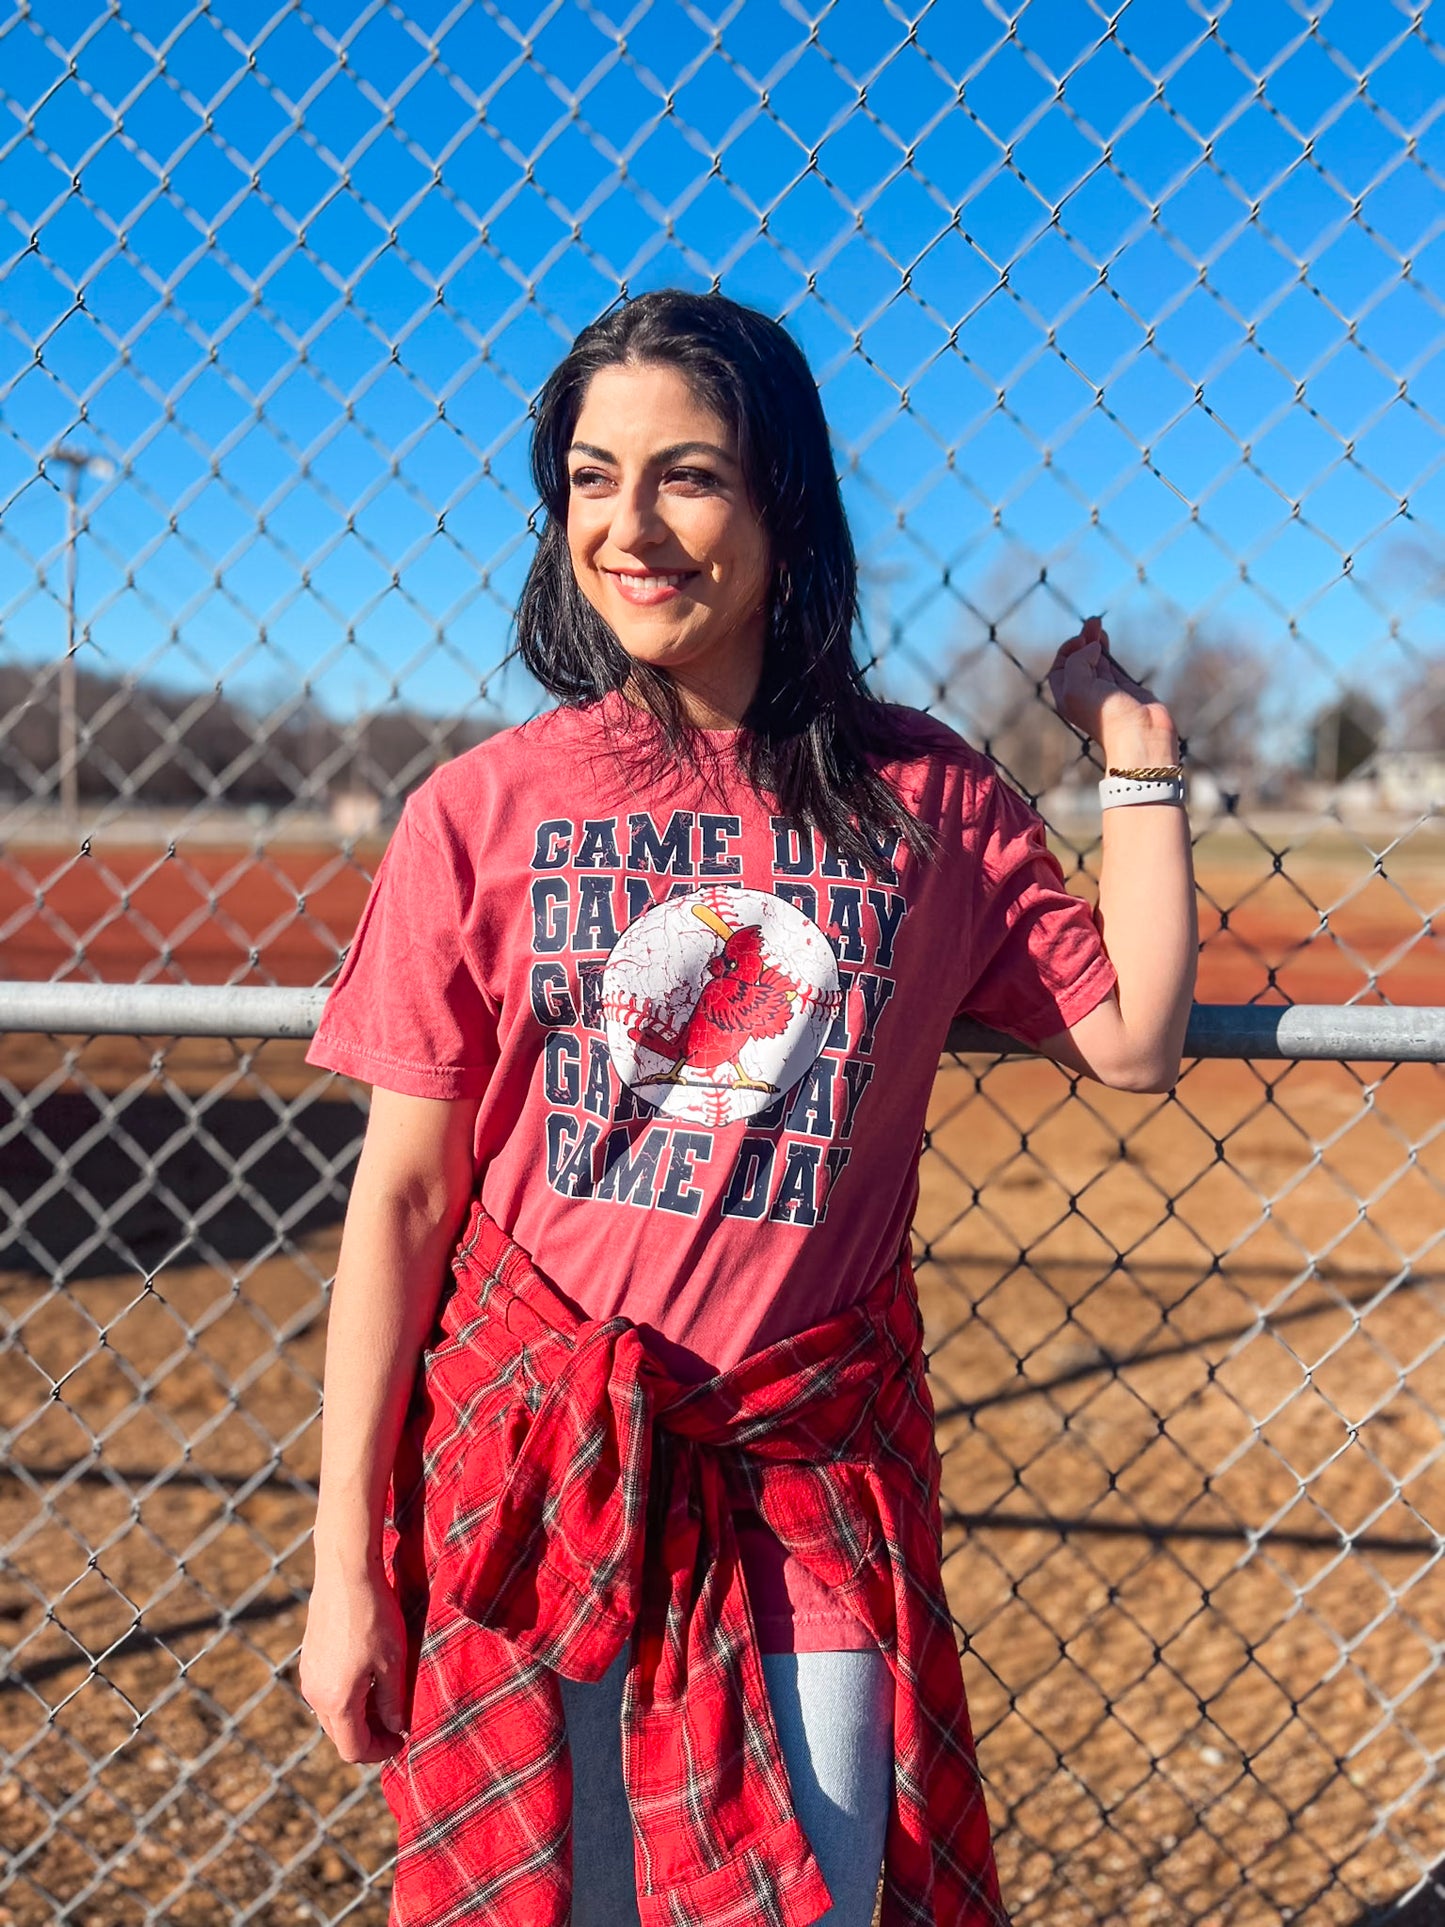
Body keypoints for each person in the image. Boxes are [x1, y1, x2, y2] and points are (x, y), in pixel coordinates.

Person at [297, 288, 1197, 1927]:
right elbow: (406, 1208)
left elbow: (1130, 1034)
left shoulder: (926, 800)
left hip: (800, 1493)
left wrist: (1132, 754)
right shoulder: (476, 811)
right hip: (526, 1485)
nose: (629, 529)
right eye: (589, 478)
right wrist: (345, 1568)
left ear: (786, 503)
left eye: (687, 477)